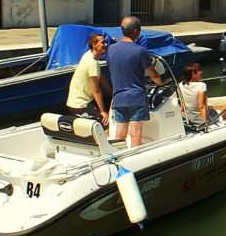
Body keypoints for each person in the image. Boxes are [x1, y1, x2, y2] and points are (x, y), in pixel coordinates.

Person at [107, 16, 163, 146]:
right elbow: (153, 75)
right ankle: (135, 159)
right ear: (136, 31)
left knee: (120, 133)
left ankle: (119, 159)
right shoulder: (140, 51)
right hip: (136, 97)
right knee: (136, 132)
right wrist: (161, 83)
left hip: (118, 97)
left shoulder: (111, 49)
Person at [65, 33, 110, 125]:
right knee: (105, 123)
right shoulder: (92, 63)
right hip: (79, 105)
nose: (105, 45)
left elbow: (101, 79)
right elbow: (96, 91)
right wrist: (103, 112)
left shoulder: (88, 55)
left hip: (81, 101)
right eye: (103, 42)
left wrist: (112, 93)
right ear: (94, 45)